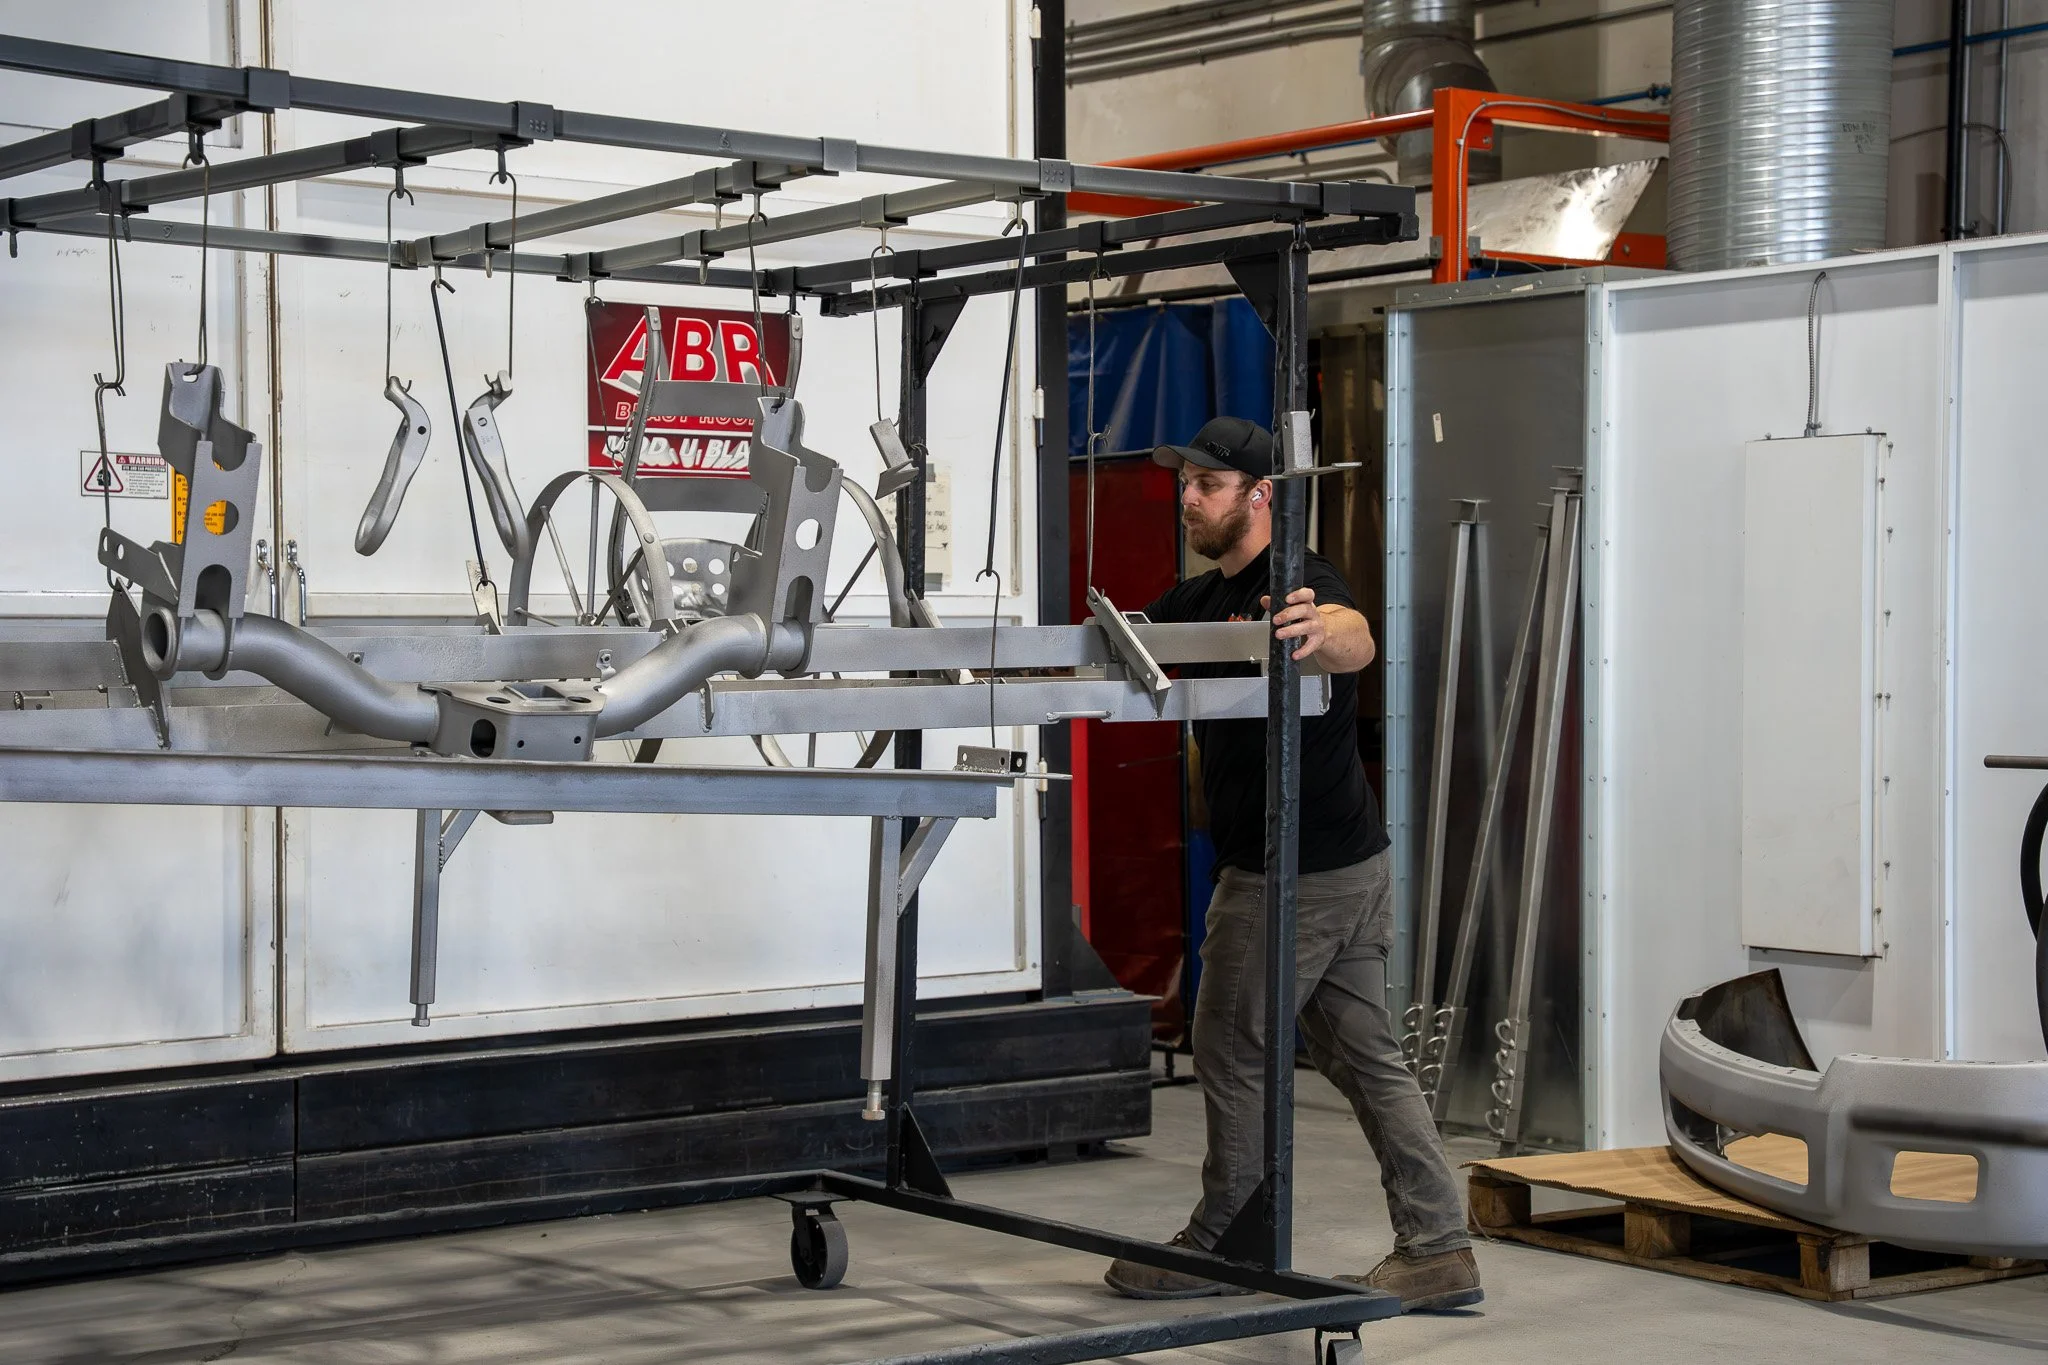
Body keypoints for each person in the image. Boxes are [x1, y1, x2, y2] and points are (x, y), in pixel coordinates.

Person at [1102, 416, 1481, 1313]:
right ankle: (1440, 1244)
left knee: (1230, 1041)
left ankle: (1224, 1239)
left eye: (1208, 485)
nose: (1188, 499)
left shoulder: (1298, 582)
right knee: (1366, 1056)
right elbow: (1121, 643)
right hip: (1354, 863)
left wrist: (1328, 629)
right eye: (1183, 483)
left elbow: (1353, 635)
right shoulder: (1202, 598)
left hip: (1292, 873)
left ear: (1260, 493)